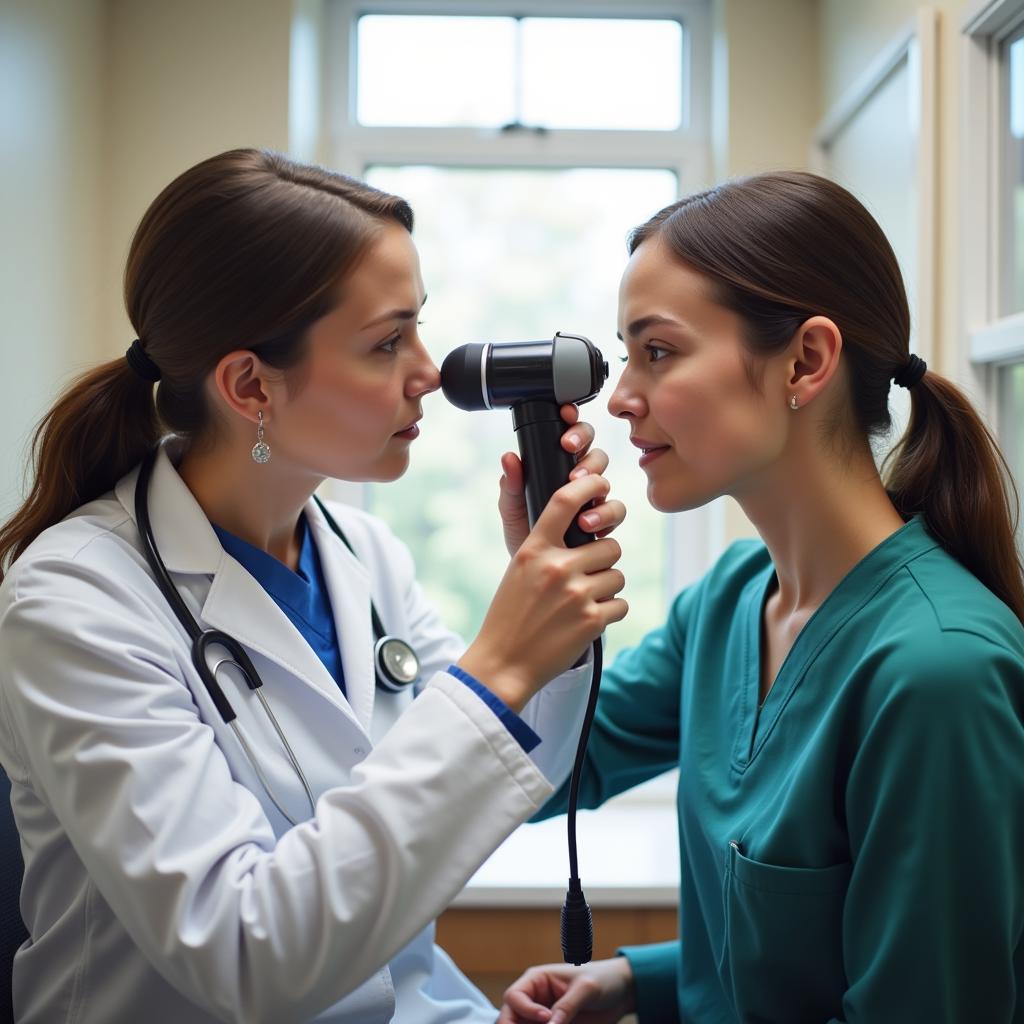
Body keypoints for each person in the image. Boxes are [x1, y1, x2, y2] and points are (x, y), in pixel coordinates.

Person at [0, 148, 629, 1024]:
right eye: (386, 342)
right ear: (250, 384)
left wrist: (550, 633)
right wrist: (498, 667)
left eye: (419, 326)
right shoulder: (74, 603)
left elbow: (517, 766)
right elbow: (245, 955)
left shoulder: (364, 557)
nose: (430, 371)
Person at [499, 171, 1024, 1024]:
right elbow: (554, 773)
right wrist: (643, 980)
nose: (621, 396)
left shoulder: (939, 674)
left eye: (657, 352)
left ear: (806, 362)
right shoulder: (731, 601)